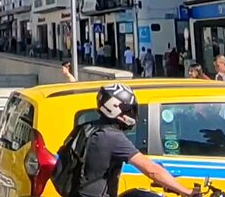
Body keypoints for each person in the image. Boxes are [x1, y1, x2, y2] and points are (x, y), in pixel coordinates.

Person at [67, 83, 197, 197]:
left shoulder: (86, 128)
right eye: (129, 110)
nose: (132, 114)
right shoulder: (113, 137)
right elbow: (152, 170)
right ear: (114, 109)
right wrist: (187, 192)